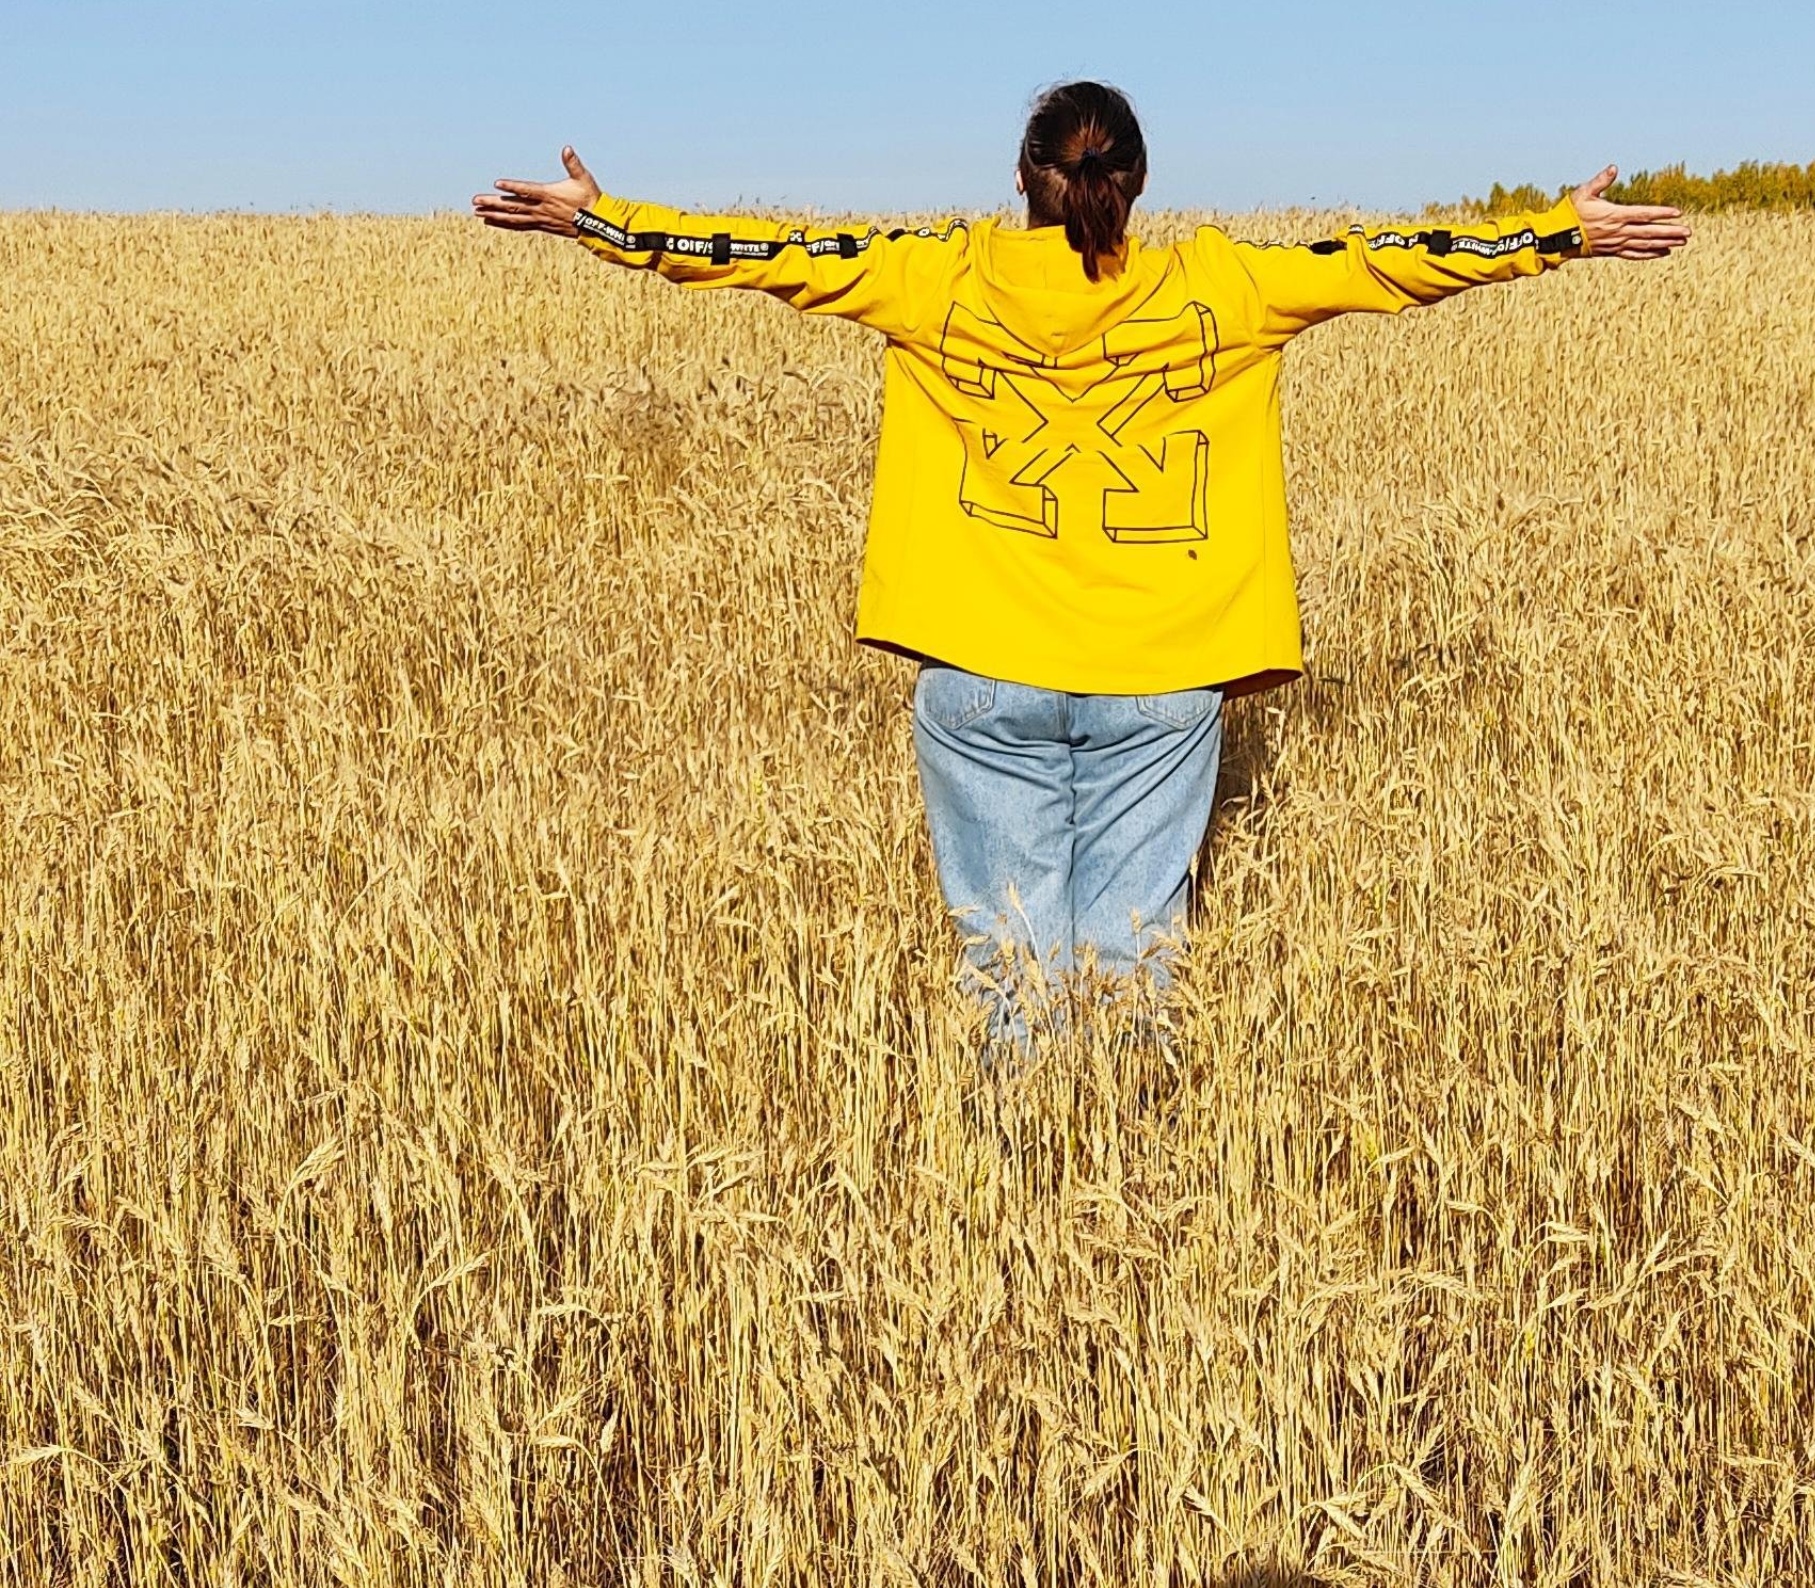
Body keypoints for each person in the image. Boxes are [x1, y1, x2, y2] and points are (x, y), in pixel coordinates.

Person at [475, 83, 1688, 1050]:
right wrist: (1556, 232)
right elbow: (1396, 259)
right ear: (1138, 182)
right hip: (1163, 677)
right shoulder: (1226, 283)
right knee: (1132, 973)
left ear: (1022, 179)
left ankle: (1020, 1227)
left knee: (1006, 975)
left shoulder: (932, 272)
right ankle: (1120, 1217)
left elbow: (764, 250)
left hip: (982, 675)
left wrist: (602, 218)